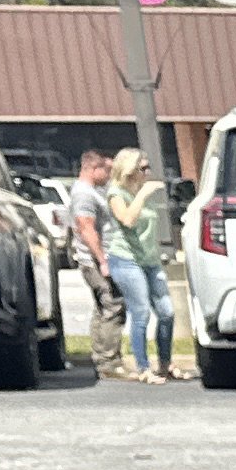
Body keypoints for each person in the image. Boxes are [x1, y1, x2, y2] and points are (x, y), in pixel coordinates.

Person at [103, 149, 188, 383]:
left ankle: (165, 363)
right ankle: (143, 368)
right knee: (140, 312)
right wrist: (142, 196)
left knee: (167, 312)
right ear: (129, 170)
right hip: (127, 260)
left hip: (150, 261)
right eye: (143, 168)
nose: (147, 172)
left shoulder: (141, 190)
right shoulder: (116, 193)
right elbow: (128, 220)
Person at [63, 149, 130, 375]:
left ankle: (101, 357)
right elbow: (86, 228)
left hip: (98, 258)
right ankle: (109, 362)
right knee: (113, 305)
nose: (109, 174)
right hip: (95, 260)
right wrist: (102, 259)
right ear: (94, 169)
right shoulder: (84, 194)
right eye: (106, 170)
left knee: (103, 307)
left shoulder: (91, 191)